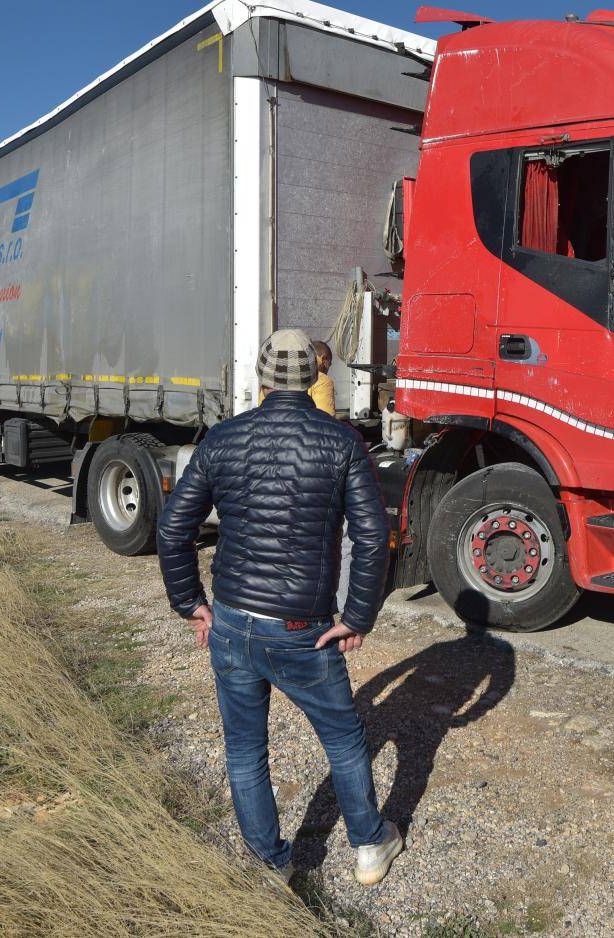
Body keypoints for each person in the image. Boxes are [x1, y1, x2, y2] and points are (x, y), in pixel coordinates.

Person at [157, 328, 401, 885]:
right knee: (341, 738)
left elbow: (173, 528)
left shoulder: (222, 439)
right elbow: (372, 534)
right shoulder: (341, 443)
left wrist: (192, 604)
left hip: (233, 622)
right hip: (302, 629)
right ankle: (368, 844)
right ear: (316, 375)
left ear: (263, 377)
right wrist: (356, 616)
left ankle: (269, 865)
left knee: (245, 748)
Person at [309, 339, 336, 414]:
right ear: (324, 359)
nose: (329, 367)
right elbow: (326, 417)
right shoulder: (322, 381)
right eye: (329, 363)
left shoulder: (289, 375)